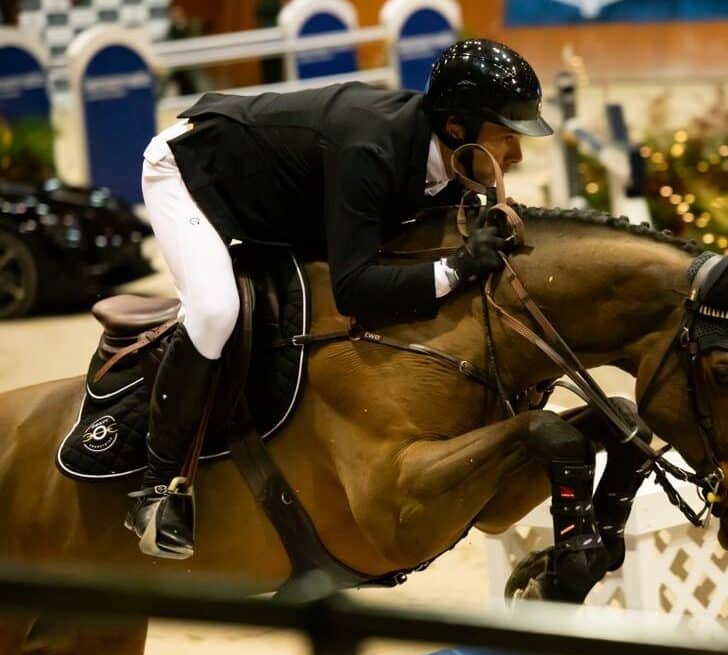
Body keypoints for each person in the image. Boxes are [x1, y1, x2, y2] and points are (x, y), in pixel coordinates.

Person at [126, 39, 553, 559]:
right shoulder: (370, 148)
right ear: (458, 128)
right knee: (216, 311)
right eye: (507, 137)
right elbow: (354, 288)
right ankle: (156, 489)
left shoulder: (449, 160)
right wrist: (460, 265)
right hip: (193, 173)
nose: (518, 155)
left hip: (281, 202)